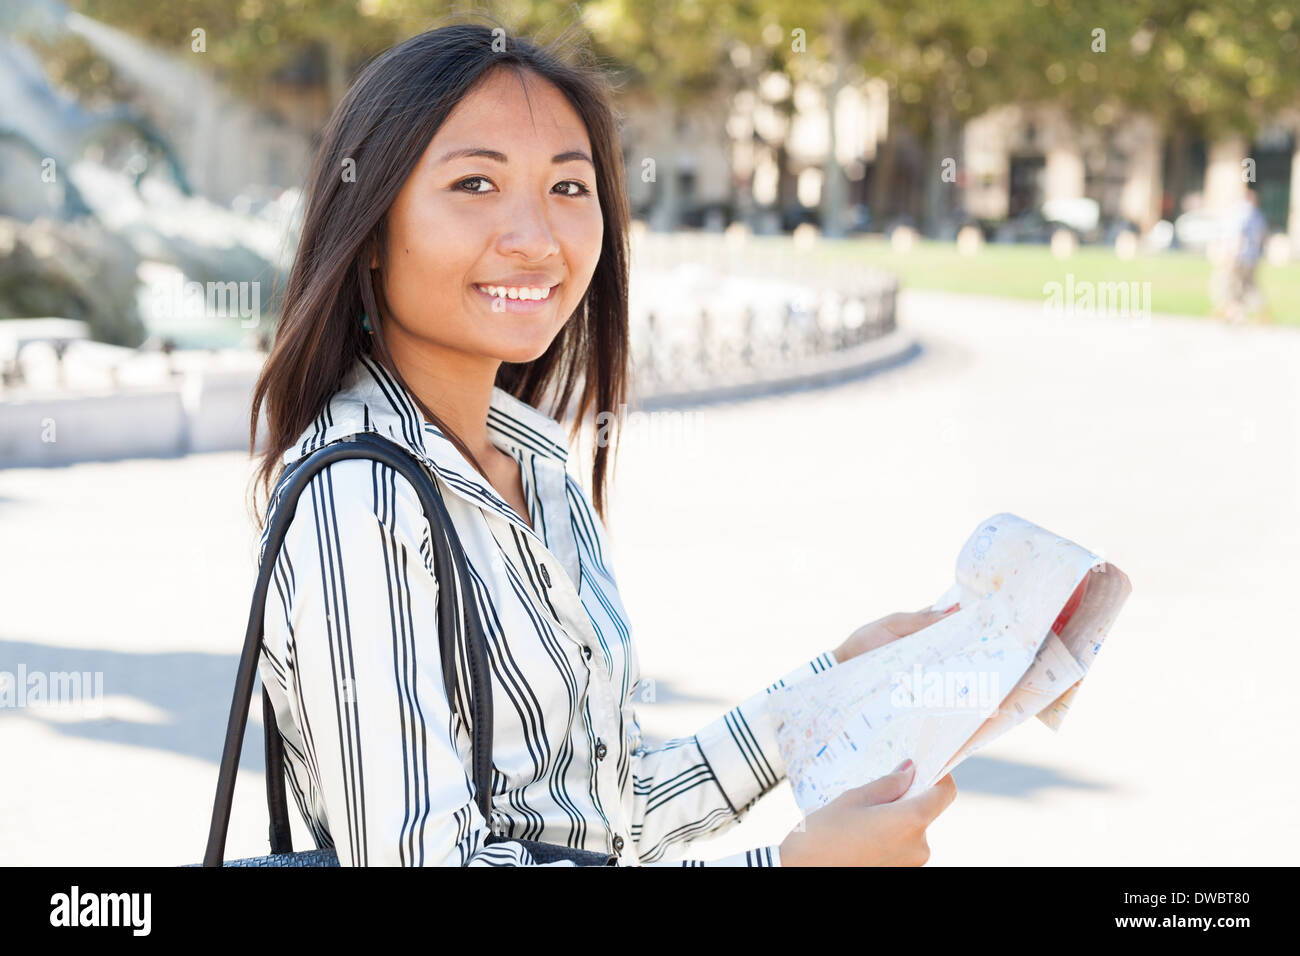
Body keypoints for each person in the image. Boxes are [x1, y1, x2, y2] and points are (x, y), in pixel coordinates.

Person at [247, 20, 958, 867]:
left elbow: (601, 824)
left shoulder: (539, 470)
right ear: (367, 227)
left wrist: (828, 688)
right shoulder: (358, 500)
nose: (537, 238)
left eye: (569, 188)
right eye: (475, 183)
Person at [1222, 185, 1270, 324]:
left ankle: (1234, 315)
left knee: (1233, 286)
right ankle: (1261, 313)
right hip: (1252, 257)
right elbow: (1263, 236)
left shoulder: (1242, 213)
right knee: (1250, 287)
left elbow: (1238, 235)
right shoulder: (1258, 215)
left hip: (1240, 256)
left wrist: (1232, 255)